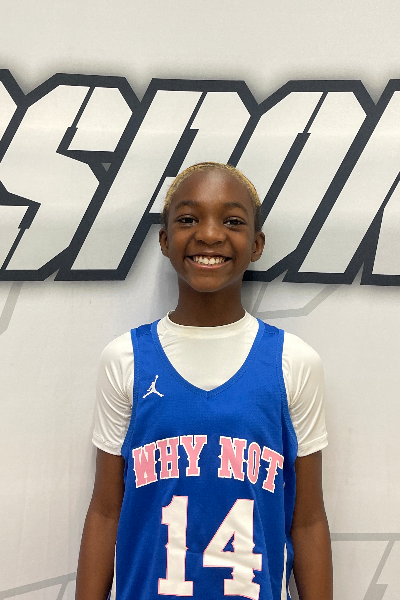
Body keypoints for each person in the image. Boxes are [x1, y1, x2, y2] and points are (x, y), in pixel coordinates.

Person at [76, 162, 333, 600]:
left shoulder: (294, 362)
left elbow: (307, 520)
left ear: (257, 244)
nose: (210, 234)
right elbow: (105, 511)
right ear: (164, 240)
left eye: (232, 221)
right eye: (188, 219)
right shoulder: (126, 359)